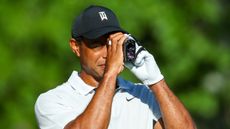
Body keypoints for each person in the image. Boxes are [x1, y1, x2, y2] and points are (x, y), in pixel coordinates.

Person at [35, 5, 196, 129]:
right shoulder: (53, 100)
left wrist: (156, 81)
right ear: (75, 46)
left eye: (111, 44)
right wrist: (110, 74)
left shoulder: (143, 95)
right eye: (97, 45)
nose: (108, 54)